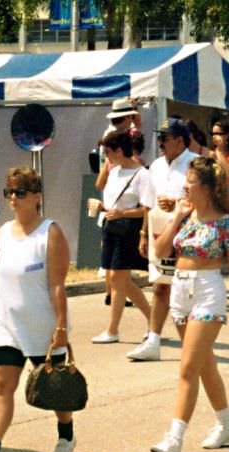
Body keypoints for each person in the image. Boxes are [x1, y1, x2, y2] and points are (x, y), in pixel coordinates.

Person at [0, 167, 76, 452]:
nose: (13, 198)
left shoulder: (50, 233)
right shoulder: (2, 233)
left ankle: (66, 434)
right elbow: (4, 285)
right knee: (1, 385)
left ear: (37, 196)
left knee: (54, 390)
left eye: (20, 192)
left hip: (41, 324)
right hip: (5, 323)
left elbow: (57, 285)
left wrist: (61, 326)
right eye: (8, 192)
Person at [150, 157, 229, 452]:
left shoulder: (227, 223)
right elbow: (159, 252)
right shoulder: (185, 216)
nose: (185, 185)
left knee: (188, 367)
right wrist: (177, 218)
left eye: (191, 181)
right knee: (204, 364)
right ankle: (226, 425)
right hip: (180, 290)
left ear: (208, 188)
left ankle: (174, 438)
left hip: (209, 290)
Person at [127, 118, 195, 362]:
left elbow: (209, 201)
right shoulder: (155, 166)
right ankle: (153, 339)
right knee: (160, 284)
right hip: (161, 232)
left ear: (179, 140)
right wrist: (144, 234)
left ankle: (194, 341)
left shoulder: (195, 164)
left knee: (186, 288)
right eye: (160, 137)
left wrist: (177, 204)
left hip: (189, 233)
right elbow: (148, 203)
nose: (160, 142)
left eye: (165, 138)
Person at [90, 130, 151, 343]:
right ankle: (153, 319)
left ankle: (112, 329)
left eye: (108, 152)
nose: (106, 156)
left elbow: (146, 208)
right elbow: (109, 200)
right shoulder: (114, 171)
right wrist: (102, 207)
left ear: (119, 150)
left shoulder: (141, 174)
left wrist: (123, 213)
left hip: (128, 228)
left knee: (118, 279)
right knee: (120, 280)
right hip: (111, 225)